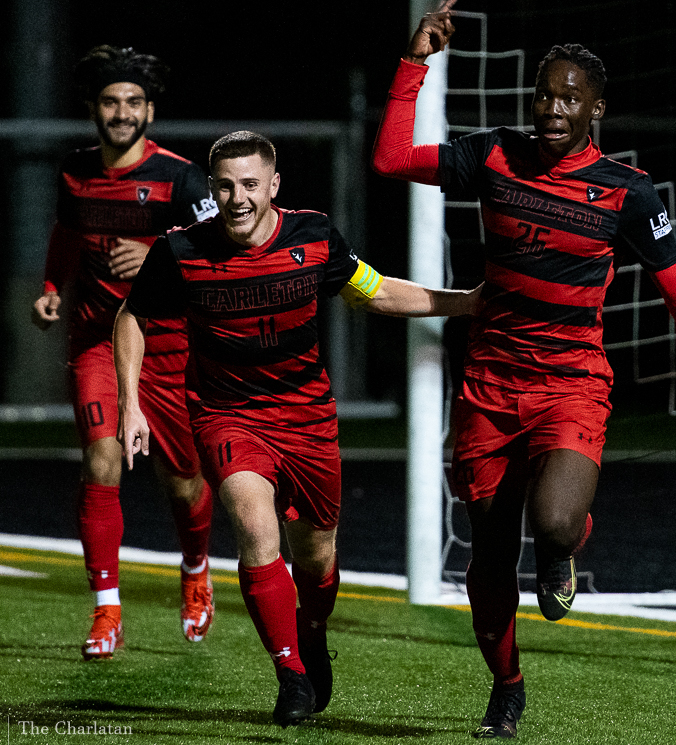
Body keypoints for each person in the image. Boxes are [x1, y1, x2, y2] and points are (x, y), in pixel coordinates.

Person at [372, 0, 676, 739]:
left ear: (596, 110)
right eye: (544, 95)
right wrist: (413, 63)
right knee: (489, 556)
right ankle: (507, 687)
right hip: (488, 388)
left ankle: (564, 550)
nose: (552, 109)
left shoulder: (626, 194)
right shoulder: (492, 155)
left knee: (551, 524)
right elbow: (390, 158)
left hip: (570, 387)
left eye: (569, 99)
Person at [114, 130, 481, 725]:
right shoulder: (181, 251)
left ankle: (311, 634)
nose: (238, 198)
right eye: (226, 186)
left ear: (274, 186)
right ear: (212, 188)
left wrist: (463, 303)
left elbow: (376, 290)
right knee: (257, 531)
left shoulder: (312, 237)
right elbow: (133, 316)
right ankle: (290, 675)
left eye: (251, 185)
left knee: (316, 556)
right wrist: (130, 400)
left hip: (307, 418)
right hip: (225, 414)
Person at [31, 45, 220, 661]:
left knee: (184, 482)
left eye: (133, 102)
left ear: (150, 111)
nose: (122, 111)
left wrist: (158, 258)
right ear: (94, 108)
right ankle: (106, 611)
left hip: (172, 352)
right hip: (96, 344)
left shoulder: (182, 178)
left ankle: (195, 571)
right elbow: (66, 234)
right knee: (101, 462)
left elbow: (224, 256)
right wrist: (53, 288)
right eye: (111, 101)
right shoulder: (75, 170)